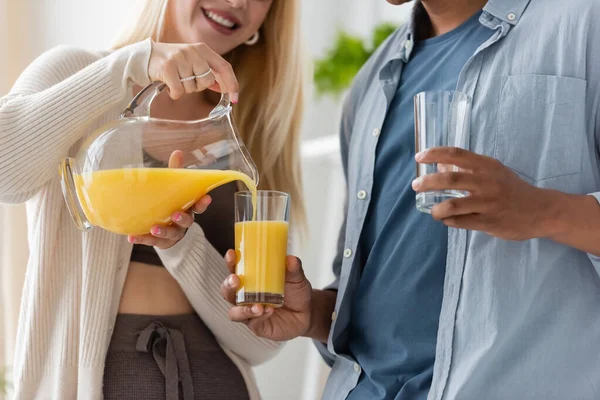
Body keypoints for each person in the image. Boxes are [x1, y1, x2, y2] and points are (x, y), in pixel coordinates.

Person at [221, 0, 600, 399]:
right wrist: (312, 313)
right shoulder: (372, 82)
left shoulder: (582, 25)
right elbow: (372, 286)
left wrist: (543, 210)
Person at [0, 0, 305, 399]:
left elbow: (262, 340)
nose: (237, 2)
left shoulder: (250, 129)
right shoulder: (77, 71)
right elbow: (7, 174)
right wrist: (130, 66)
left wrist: (182, 244)